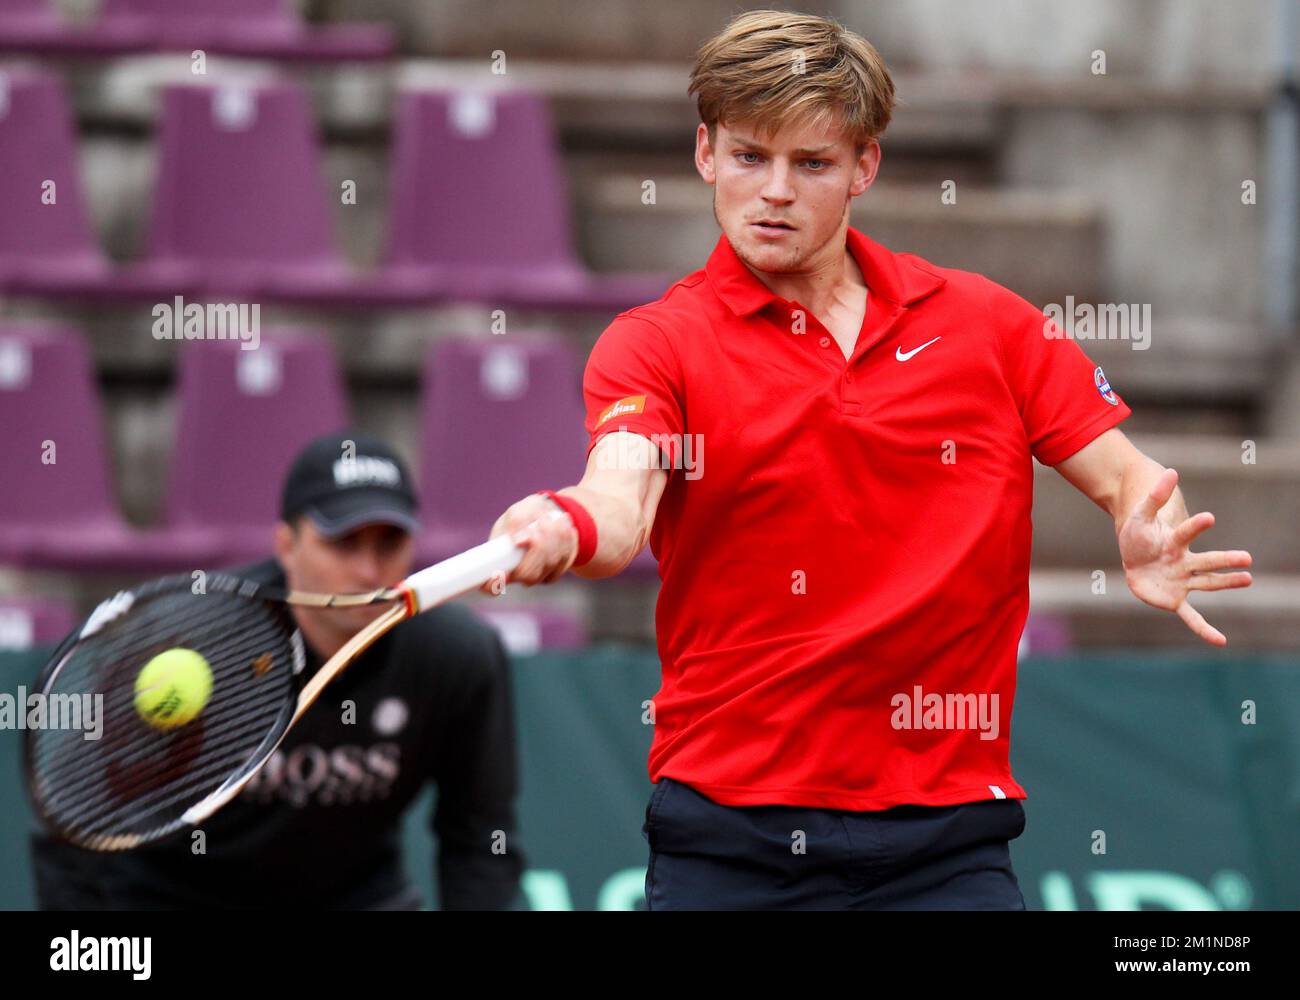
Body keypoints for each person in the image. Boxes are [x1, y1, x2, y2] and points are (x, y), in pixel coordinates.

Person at [481, 10, 1254, 910]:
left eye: (810, 164)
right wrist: (564, 524)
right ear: (705, 155)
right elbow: (618, 504)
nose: (774, 191)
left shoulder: (989, 325)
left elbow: (1126, 476)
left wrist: (1139, 525)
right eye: (747, 157)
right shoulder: (653, 344)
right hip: (730, 840)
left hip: (949, 844)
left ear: (864, 168)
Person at [31, 431, 525, 910]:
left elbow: (480, 840)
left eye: (389, 543)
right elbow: (78, 827)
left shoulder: (458, 656)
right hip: (175, 895)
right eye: (344, 543)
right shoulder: (188, 641)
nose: (369, 572)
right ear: (286, 544)